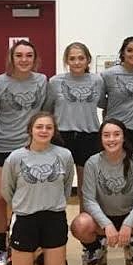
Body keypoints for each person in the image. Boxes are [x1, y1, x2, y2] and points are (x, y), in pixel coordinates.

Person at [0, 39, 50, 265]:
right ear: (11, 58)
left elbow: (44, 113)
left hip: (31, 149)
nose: (24, 60)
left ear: (35, 59)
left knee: (30, 199)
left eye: (29, 55)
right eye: (19, 55)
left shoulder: (42, 81)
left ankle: (32, 245)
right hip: (3, 147)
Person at [71, 118, 133, 265]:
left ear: (123, 137)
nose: (111, 139)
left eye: (116, 134)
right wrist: (106, 224)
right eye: (106, 135)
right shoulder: (92, 162)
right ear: (101, 138)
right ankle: (95, 248)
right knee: (79, 225)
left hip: (130, 217)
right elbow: (89, 200)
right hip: (103, 218)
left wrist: (128, 224)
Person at [2, 111, 75, 265]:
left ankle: (48, 252)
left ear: (54, 131)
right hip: (26, 218)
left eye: (48, 127)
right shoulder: (15, 157)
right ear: (30, 130)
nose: (44, 131)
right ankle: (18, 255)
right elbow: (7, 190)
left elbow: (66, 187)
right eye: (39, 127)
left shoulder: (64, 155)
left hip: (54, 217)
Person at [49, 41, 104, 198]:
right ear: (66, 61)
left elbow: (104, 104)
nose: (77, 62)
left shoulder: (97, 81)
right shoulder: (55, 82)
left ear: (88, 60)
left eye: (81, 58)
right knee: (58, 183)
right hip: (62, 136)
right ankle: (58, 221)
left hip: (89, 135)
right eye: (72, 58)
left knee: (86, 186)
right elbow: (47, 110)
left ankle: (84, 221)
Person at [101, 36, 133, 160]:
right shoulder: (109, 74)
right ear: (122, 53)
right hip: (116, 130)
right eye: (129, 50)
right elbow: (100, 101)